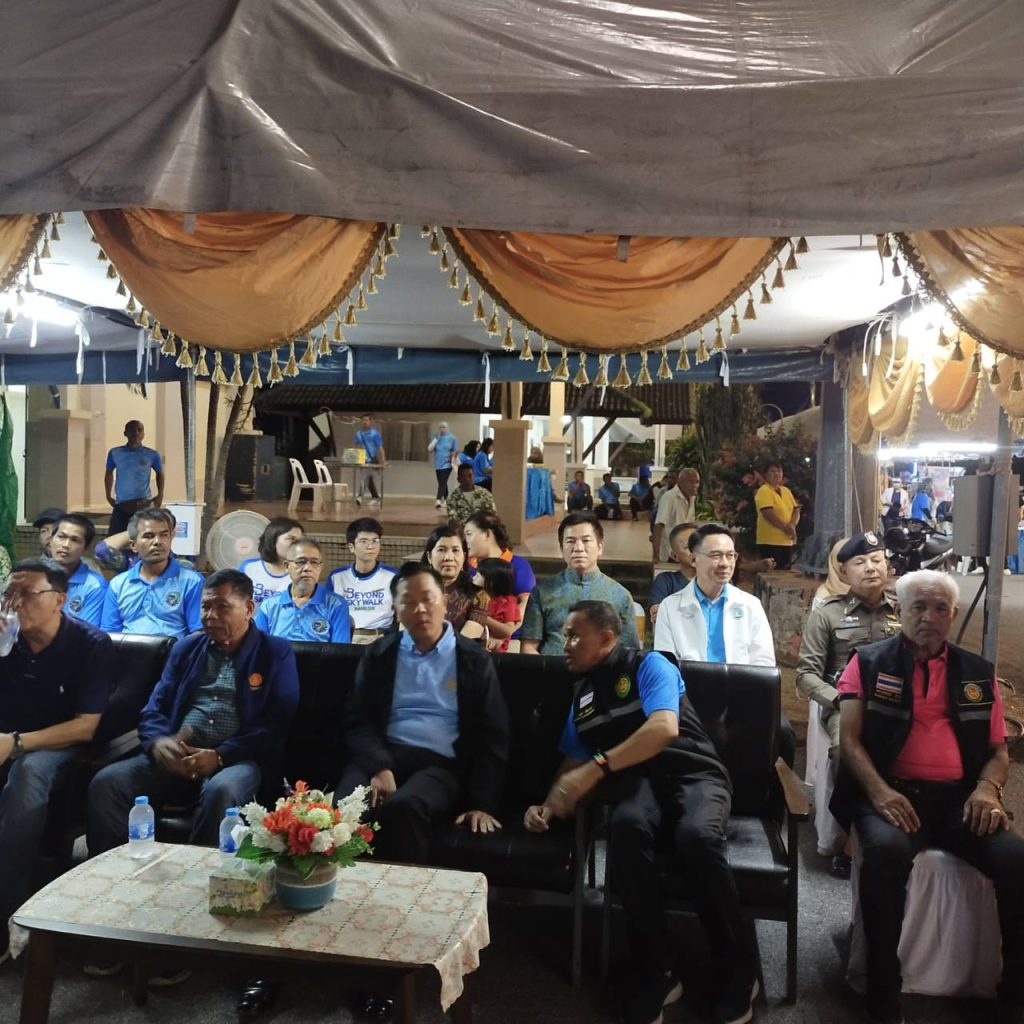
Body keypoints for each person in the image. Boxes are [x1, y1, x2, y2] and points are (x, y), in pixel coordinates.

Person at [524, 601, 757, 1024]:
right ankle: (658, 970)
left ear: (606, 638)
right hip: (639, 782)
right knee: (626, 826)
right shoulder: (583, 695)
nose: (565, 644)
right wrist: (548, 803)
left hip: (694, 772)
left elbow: (664, 728)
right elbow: (574, 760)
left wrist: (597, 768)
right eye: (564, 636)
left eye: (574, 636)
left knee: (696, 837)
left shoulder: (651, 665)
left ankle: (738, 967)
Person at [830, 570, 1024, 1024]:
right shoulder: (869, 662)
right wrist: (879, 792)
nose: (929, 617)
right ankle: (883, 993)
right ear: (900, 610)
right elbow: (850, 740)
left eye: (940, 609)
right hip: (893, 793)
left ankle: (1014, 994)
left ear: (953, 615)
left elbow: (998, 751)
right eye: (918, 606)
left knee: (1017, 861)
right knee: (884, 855)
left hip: (960, 800)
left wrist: (987, 788)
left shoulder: (978, 673)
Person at [88, 569, 300, 856]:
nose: (210, 616)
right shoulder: (187, 648)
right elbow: (154, 707)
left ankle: (197, 872)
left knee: (222, 790)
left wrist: (220, 755)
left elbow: (276, 721)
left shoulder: (274, 652)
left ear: (249, 609)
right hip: (178, 756)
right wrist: (158, 743)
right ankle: (112, 868)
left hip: (238, 759)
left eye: (222, 607)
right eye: (205, 607)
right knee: (109, 782)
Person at [338, 562, 509, 865]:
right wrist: (379, 766)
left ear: (444, 600)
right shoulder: (379, 654)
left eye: (428, 599)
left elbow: (493, 733)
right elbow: (357, 721)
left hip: (439, 765)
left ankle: (403, 893)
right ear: (395, 608)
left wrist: (483, 804)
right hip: (382, 755)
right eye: (408, 601)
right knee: (346, 805)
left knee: (404, 807)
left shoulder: (473, 660)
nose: (420, 609)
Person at [0, 558, 114, 960]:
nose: (15, 603)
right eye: (8, 593)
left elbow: (85, 727)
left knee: (29, 773)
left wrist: (15, 743)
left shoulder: (90, 644)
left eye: (26, 594)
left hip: (60, 746)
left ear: (59, 600)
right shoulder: (7, 638)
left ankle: (8, 911)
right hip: (7, 738)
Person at [796, 532, 897, 876]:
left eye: (877, 560)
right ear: (843, 571)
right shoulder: (827, 614)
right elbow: (806, 674)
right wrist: (840, 699)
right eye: (860, 562)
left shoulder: (905, 609)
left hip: (898, 706)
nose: (870, 567)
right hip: (845, 707)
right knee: (847, 751)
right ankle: (851, 839)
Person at [654, 523, 775, 667]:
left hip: (740, 681)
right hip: (687, 682)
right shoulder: (669, 607)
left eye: (730, 555)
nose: (725, 563)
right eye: (716, 555)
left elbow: (764, 663)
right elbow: (665, 666)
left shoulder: (751, 605)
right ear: (693, 559)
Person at [520, 511, 640, 655]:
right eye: (570, 541)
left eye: (586, 541)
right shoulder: (542, 591)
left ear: (600, 547)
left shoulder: (620, 596)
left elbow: (629, 652)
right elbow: (528, 647)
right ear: (561, 549)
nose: (578, 548)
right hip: (552, 667)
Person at [100, 508, 204, 637]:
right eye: (148, 536)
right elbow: (110, 632)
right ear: (133, 545)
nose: (157, 542)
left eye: (164, 535)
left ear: (171, 537)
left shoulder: (192, 581)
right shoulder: (118, 584)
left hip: (174, 649)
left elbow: (198, 632)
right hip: (127, 649)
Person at [254, 538, 351, 643]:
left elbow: (340, 650)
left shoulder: (336, 605)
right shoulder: (268, 606)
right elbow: (258, 647)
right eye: (301, 562)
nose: (307, 568)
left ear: (320, 567)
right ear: (287, 566)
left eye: (314, 562)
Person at [463, 510, 536, 637]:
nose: (465, 541)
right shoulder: (466, 568)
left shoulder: (518, 565)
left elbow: (525, 607)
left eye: (469, 534)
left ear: (487, 534)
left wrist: (503, 636)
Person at [327, 517, 397, 642]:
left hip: (380, 639)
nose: (370, 546)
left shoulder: (393, 575)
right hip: (345, 638)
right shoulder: (336, 576)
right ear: (351, 547)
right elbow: (326, 612)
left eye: (375, 541)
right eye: (363, 541)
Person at [421, 525, 489, 635]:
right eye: (441, 550)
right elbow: (405, 632)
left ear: (464, 556)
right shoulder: (414, 590)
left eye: (455, 550)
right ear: (429, 557)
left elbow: (467, 640)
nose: (448, 557)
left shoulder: (478, 594)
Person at [104, 420, 165, 535]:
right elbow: (108, 473)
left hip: (143, 504)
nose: (136, 433)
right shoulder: (115, 453)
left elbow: (160, 473)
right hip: (122, 504)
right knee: (115, 538)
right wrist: (108, 495)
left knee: (144, 537)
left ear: (143, 434)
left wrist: (160, 494)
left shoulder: (152, 454)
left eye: (139, 430)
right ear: (125, 433)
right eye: (132, 430)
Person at [49, 513, 108, 626]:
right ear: (51, 540)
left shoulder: (95, 586)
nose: (66, 545)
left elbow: (86, 632)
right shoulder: (33, 577)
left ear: (86, 548)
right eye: (61, 537)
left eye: (75, 540)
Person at [240, 517, 304, 606]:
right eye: (291, 539)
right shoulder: (249, 567)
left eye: (300, 541)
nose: (297, 545)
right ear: (273, 539)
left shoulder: (302, 574)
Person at [648, 522, 697, 628]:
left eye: (699, 545)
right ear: (675, 556)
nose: (695, 551)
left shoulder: (717, 580)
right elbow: (658, 616)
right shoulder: (665, 581)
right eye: (688, 547)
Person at [754, 461, 800, 569]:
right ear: (765, 474)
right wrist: (785, 527)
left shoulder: (786, 491)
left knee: (785, 571)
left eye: (779, 471)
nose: (776, 474)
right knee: (772, 571)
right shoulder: (764, 490)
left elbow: (796, 510)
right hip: (769, 541)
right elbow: (767, 513)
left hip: (787, 540)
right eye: (772, 471)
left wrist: (792, 525)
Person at [652, 467, 703, 564]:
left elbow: (690, 525)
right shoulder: (669, 497)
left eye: (697, 482)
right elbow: (658, 526)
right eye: (690, 482)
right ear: (680, 482)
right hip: (669, 553)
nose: (694, 485)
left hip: (683, 552)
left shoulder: (692, 498)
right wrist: (655, 557)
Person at [473, 557, 520, 652]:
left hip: (495, 648)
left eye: (478, 575)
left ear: (492, 581)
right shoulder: (474, 596)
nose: (474, 577)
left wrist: (481, 616)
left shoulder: (508, 602)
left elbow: (508, 630)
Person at [354, 414, 386, 505]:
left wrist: (383, 460)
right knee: (368, 479)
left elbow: (380, 447)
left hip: (371, 459)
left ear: (370, 421)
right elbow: (355, 446)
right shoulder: (358, 434)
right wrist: (354, 458)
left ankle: (360, 496)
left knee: (365, 477)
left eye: (367, 420)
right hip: (362, 459)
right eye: (363, 420)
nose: (365, 422)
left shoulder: (374, 433)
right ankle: (376, 497)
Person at [428, 421, 459, 509]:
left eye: (444, 427)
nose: (442, 429)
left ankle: (438, 500)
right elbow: (430, 449)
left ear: (447, 428)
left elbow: (456, 450)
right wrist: (436, 440)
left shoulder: (452, 438)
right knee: (442, 482)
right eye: (440, 427)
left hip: (447, 464)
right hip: (438, 464)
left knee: (442, 481)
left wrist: (453, 455)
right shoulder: (436, 438)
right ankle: (447, 500)